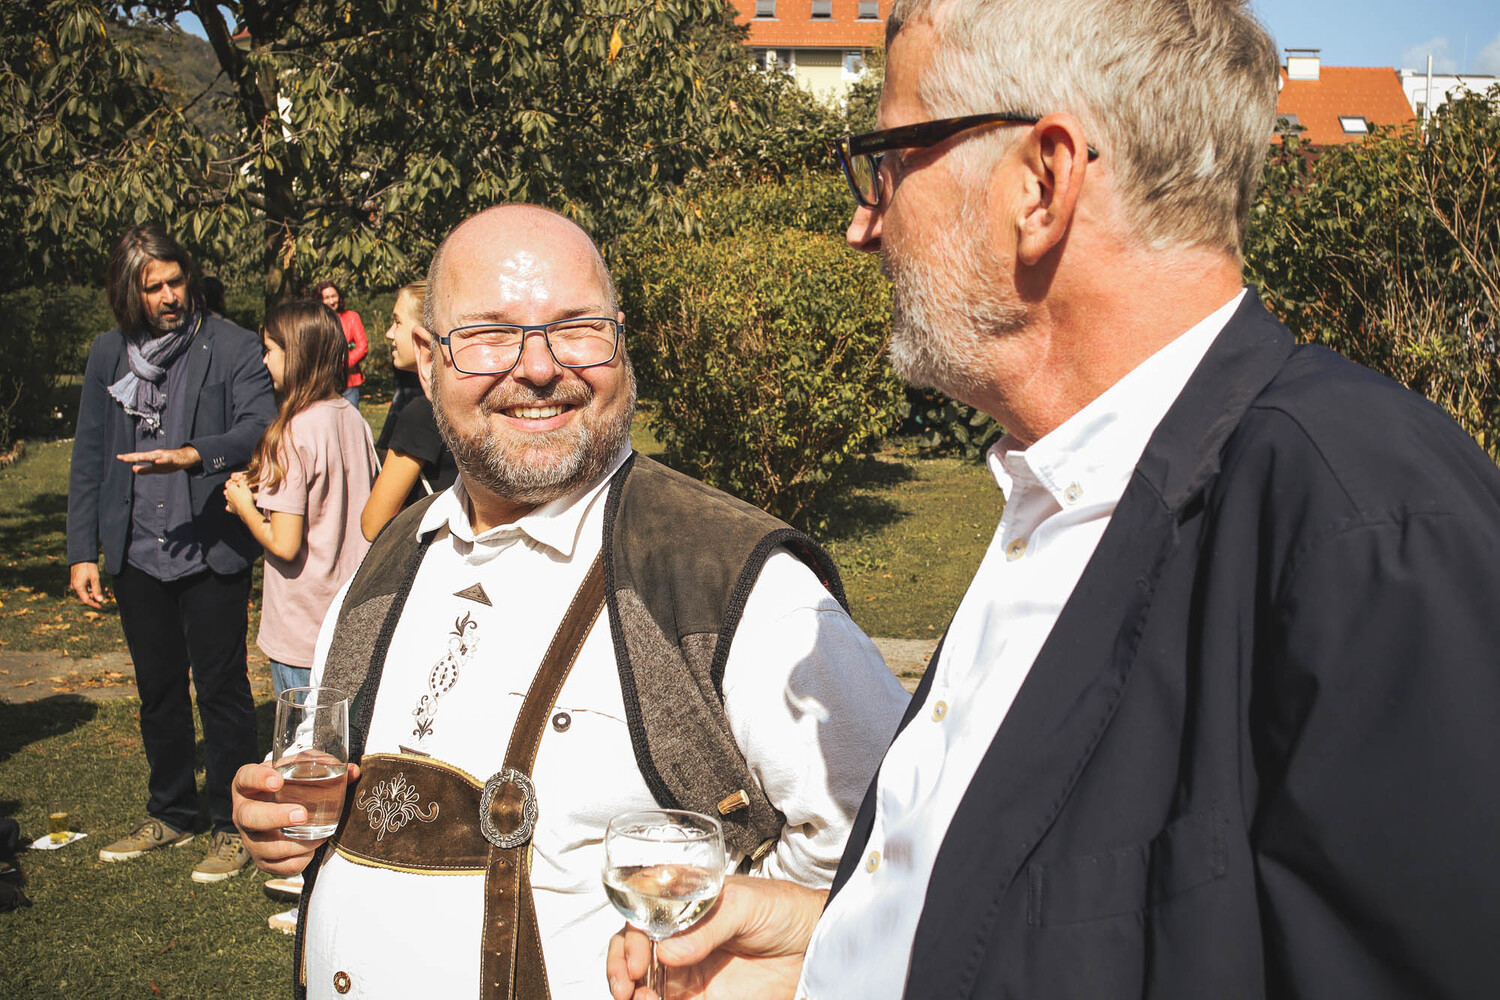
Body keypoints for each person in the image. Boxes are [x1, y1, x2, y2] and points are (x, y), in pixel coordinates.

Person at [606, 1, 1500, 997]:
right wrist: (836, 950)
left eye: (888, 163)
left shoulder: (1362, 522)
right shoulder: (1061, 493)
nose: (863, 224)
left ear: (1041, 184)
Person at [231, 204, 909, 1000]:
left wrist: (746, 962)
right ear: (428, 362)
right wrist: (283, 825)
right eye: (490, 334)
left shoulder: (732, 580)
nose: (539, 367)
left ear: (621, 341)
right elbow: (334, 779)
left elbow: (904, 849)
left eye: (577, 328)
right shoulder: (386, 559)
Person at [67, 223, 275, 883]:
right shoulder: (109, 353)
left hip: (210, 546)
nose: (168, 296)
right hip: (136, 549)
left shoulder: (232, 344)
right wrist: (83, 550)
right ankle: (171, 810)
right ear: (128, 292)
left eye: (175, 281)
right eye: (152, 287)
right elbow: (89, 453)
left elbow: (259, 426)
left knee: (221, 689)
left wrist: (195, 454)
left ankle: (232, 824)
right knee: (157, 690)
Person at [224, 299, 378, 931]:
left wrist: (244, 504)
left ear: (299, 355)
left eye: (271, 349)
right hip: (349, 618)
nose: (264, 361)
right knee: (342, 757)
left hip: (300, 622)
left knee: (303, 768)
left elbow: (285, 543)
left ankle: (305, 884)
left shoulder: (292, 431)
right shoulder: (352, 419)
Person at [360, 281, 459, 540]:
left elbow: (373, 524)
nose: (389, 333)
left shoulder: (422, 414)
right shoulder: (462, 402)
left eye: (397, 322)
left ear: (421, 337)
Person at [312, 280, 367, 407]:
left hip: (349, 381)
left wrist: (341, 364)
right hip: (324, 382)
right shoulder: (316, 321)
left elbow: (362, 347)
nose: (331, 301)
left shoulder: (352, 317)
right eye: (327, 297)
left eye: (334, 296)